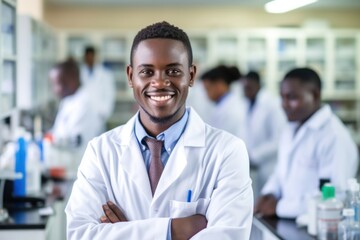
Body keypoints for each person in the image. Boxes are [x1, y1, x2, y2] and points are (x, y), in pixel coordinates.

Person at [65, 21, 253, 239]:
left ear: (191, 76)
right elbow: (79, 234)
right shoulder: (100, 152)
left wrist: (123, 231)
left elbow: (229, 236)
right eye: (147, 71)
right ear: (130, 76)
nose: (160, 82)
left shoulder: (228, 151)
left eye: (173, 71)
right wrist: (175, 229)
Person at [255, 67, 359, 218]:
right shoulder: (291, 127)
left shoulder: (334, 137)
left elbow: (333, 197)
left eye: (291, 98)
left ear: (315, 95)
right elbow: (281, 170)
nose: (284, 104)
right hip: (283, 221)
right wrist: (269, 193)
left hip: (315, 227)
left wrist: (279, 207)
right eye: (282, 97)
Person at [49, 59, 104, 168]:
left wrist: (50, 141)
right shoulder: (68, 101)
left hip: (78, 167)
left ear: (71, 80)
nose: (55, 90)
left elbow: (74, 142)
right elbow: (57, 133)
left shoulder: (84, 103)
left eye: (58, 84)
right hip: (67, 165)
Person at [241, 71, 286, 199]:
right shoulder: (247, 103)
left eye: (248, 87)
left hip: (270, 166)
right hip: (255, 168)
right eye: (244, 88)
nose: (245, 91)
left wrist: (253, 155)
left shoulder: (272, 104)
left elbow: (278, 140)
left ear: (258, 85)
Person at [200, 65, 245, 138]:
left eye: (207, 89)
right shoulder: (224, 105)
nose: (206, 94)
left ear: (219, 85)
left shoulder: (232, 110)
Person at [80, 46, 116, 130]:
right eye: (87, 57)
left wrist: (104, 113)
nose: (89, 59)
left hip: (99, 115)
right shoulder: (79, 73)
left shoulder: (105, 74)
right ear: (84, 58)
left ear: (95, 57)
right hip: (83, 115)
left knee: (98, 140)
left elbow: (110, 94)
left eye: (91, 56)